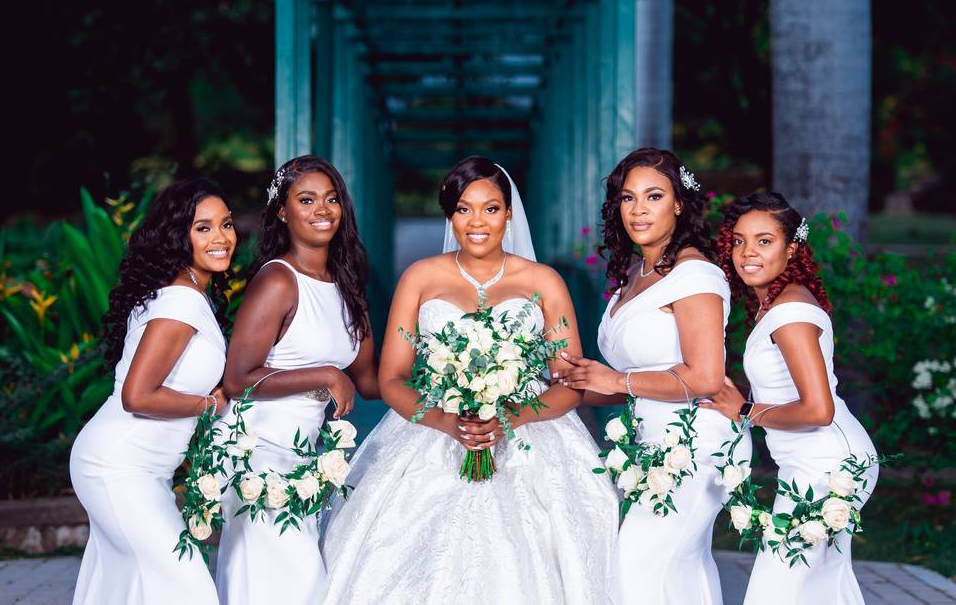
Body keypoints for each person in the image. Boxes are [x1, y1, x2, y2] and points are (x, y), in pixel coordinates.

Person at [320, 156, 617, 605]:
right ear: (449, 214)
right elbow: (393, 378)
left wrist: (512, 415)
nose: (477, 221)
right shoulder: (421, 277)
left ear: (510, 213)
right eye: (464, 209)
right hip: (436, 425)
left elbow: (568, 382)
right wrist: (444, 421)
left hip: (529, 433)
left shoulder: (544, 282)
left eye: (491, 208)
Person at [557, 148, 747, 605]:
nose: (639, 209)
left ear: (679, 203)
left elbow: (704, 377)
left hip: (694, 438)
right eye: (628, 198)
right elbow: (623, 380)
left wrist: (614, 383)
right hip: (650, 436)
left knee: (637, 565)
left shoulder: (694, 273)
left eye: (654, 196)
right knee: (678, 571)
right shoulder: (634, 275)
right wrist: (567, 386)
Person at [215, 155, 379, 605]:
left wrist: (443, 382)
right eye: (307, 200)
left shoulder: (347, 287)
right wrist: (326, 374)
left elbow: (369, 381)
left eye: (331, 199)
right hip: (258, 448)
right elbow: (237, 378)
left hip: (305, 455)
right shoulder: (278, 281)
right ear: (283, 212)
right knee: (293, 579)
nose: (322, 209)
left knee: (289, 578)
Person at [704, 192, 878, 605]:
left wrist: (745, 411)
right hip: (816, 460)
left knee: (775, 590)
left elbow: (819, 410)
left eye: (764, 241)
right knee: (818, 590)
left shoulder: (790, 314)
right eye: (739, 240)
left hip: (828, 464)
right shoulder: (779, 304)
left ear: (792, 247)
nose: (747, 253)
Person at [70, 178, 235, 605]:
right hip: (119, 466)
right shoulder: (180, 303)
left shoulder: (194, 295)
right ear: (177, 237)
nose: (221, 238)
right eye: (203, 228)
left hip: (143, 469)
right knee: (187, 588)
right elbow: (137, 396)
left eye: (226, 224)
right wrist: (207, 405)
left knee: (130, 588)